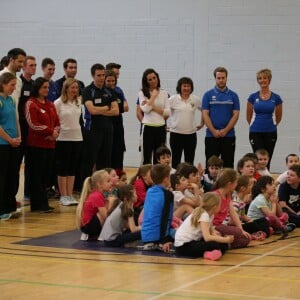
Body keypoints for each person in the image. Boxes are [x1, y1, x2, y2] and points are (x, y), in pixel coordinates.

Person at [80, 64, 119, 186]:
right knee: (89, 161)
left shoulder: (109, 91)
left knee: (105, 161)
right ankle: (86, 187)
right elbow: (92, 110)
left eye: (103, 75)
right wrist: (107, 108)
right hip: (92, 131)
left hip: (108, 130)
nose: (102, 78)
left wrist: (100, 110)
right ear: (93, 76)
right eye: (99, 75)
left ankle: (104, 187)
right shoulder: (87, 90)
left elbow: (116, 111)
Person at [25, 77, 60, 212]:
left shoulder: (50, 104)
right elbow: (33, 124)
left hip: (50, 145)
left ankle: (44, 203)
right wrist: (50, 131)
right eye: (44, 87)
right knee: (37, 176)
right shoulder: (31, 103)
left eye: (47, 87)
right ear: (37, 88)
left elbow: (57, 122)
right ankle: (37, 205)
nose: (47, 90)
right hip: (36, 146)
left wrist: (55, 132)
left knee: (46, 176)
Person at [175, 192, 233, 260]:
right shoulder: (204, 215)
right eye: (220, 205)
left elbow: (212, 232)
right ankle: (209, 253)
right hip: (184, 246)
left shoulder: (211, 215)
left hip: (194, 242)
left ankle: (212, 252)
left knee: (222, 244)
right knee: (215, 244)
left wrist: (223, 239)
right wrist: (225, 240)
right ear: (215, 207)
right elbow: (207, 238)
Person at [202, 67, 240, 169]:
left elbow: (236, 115)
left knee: (228, 164)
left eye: (223, 77)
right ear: (215, 78)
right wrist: (214, 131)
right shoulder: (207, 95)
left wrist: (225, 130)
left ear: (226, 78)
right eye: (218, 78)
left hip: (228, 136)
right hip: (211, 136)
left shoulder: (234, 95)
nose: (221, 80)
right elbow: (205, 114)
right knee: (211, 165)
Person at [247, 68, 283, 170]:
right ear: (258, 80)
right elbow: (248, 116)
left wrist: (271, 125)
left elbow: (279, 117)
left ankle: (266, 182)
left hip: (270, 132)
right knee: (257, 159)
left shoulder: (276, 98)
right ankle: (256, 181)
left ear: (269, 79)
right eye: (260, 78)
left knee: (267, 158)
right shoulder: (252, 97)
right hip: (255, 132)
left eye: (265, 78)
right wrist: (256, 125)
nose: (262, 80)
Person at [54, 78, 83, 206]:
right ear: (66, 88)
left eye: (76, 87)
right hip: (63, 138)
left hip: (77, 137)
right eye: (72, 87)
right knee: (63, 168)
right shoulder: (58, 103)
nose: (75, 90)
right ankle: (63, 195)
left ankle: (70, 194)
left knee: (72, 168)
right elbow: (55, 122)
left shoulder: (78, 101)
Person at [168, 77, 203, 169]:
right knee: (175, 161)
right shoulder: (173, 99)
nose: (186, 88)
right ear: (180, 87)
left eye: (188, 86)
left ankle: (189, 181)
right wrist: (164, 124)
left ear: (191, 88)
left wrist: (202, 123)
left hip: (190, 135)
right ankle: (176, 181)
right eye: (184, 86)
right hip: (175, 135)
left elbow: (204, 111)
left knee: (189, 161)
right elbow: (165, 111)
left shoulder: (195, 99)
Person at [212, 169, 251, 249]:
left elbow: (233, 213)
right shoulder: (215, 196)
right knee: (237, 232)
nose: (237, 185)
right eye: (236, 182)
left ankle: (224, 243)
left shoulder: (228, 195)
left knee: (246, 238)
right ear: (229, 184)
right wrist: (211, 229)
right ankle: (222, 241)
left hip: (222, 226)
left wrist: (241, 229)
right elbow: (206, 215)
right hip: (213, 227)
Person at [0, 73, 21, 220]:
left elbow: (16, 120)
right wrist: (9, 139)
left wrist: (19, 137)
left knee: (11, 177)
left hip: (13, 143)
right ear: (3, 84)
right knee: (2, 177)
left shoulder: (11, 100)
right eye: (11, 85)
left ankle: (9, 206)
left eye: (15, 84)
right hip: (2, 144)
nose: (14, 88)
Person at [139, 68, 170, 164]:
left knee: (160, 158)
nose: (153, 81)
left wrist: (152, 106)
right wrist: (153, 96)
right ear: (146, 82)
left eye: (154, 78)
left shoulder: (164, 93)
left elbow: (167, 112)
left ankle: (158, 178)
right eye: (150, 79)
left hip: (160, 128)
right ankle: (145, 178)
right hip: (148, 128)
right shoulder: (142, 93)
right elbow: (145, 110)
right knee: (146, 158)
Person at [141, 164, 174, 252]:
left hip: (145, 236)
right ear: (166, 179)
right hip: (158, 238)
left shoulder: (149, 191)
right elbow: (166, 218)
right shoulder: (168, 194)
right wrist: (165, 240)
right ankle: (158, 244)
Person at [17, 55, 37, 203]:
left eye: (35, 65)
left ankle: (29, 193)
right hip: (20, 127)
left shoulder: (35, 84)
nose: (33, 68)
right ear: (23, 67)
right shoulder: (18, 83)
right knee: (17, 163)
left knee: (31, 162)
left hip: (31, 129)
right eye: (31, 65)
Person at [76, 170, 115, 239]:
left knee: (106, 205)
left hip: (88, 225)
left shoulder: (98, 194)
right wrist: (111, 203)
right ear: (99, 184)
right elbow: (105, 216)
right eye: (108, 181)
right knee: (103, 213)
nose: (111, 183)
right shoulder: (97, 196)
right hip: (88, 227)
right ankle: (101, 234)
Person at [104, 69, 127, 174]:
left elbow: (125, 108)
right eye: (108, 81)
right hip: (106, 126)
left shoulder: (119, 91)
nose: (111, 83)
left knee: (119, 153)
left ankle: (118, 178)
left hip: (118, 126)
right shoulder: (102, 93)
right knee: (107, 155)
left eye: (113, 80)